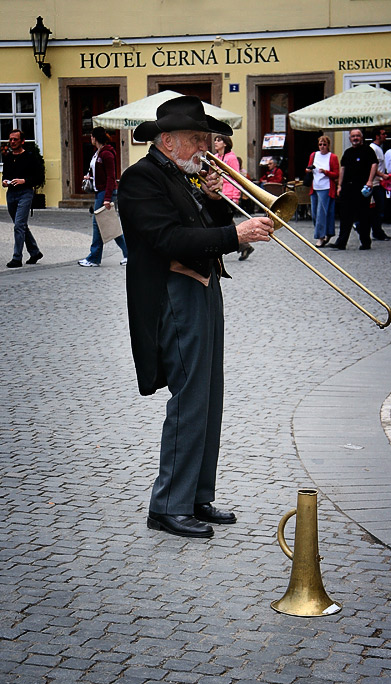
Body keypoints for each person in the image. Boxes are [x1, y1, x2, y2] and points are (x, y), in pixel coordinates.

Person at [117, 95, 273, 539]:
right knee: (188, 398)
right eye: (196, 139)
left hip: (204, 288)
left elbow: (207, 231)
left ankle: (197, 495)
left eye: (207, 139)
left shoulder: (184, 176)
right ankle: (167, 504)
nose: (206, 147)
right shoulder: (141, 179)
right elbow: (167, 238)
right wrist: (234, 232)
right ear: (167, 141)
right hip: (173, 294)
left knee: (209, 394)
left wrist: (218, 204)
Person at [78, 126, 128, 267]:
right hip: (100, 191)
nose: (90, 139)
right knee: (106, 225)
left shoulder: (107, 154)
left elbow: (111, 177)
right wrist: (91, 177)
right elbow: (102, 174)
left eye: (92, 136)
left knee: (99, 224)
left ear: (96, 137)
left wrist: (107, 198)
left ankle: (94, 258)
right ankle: (126, 253)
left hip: (104, 192)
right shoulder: (98, 153)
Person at [328, 129, 378, 251]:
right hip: (347, 188)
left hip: (362, 188)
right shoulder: (348, 152)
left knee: (363, 216)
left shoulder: (368, 151)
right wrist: (339, 186)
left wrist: (370, 181)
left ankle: (365, 242)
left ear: (361, 138)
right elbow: (342, 169)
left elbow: (374, 165)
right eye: (353, 136)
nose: (355, 138)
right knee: (345, 216)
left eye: (357, 136)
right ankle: (341, 242)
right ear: (350, 138)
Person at [2, 129, 43, 268]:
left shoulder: (30, 157)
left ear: (22, 141)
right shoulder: (7, 157)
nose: (12, 142)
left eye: (15, 139)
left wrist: (23, 180)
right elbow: (5, 175)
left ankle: (17, 258)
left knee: (18, 226)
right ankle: (35, 252)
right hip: (11, 194)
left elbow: (38, 177)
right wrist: (4, 182)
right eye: (11, 139)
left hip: (25, 193)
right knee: (21, 226)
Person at [214, 135, 254, 261]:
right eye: (215, 140)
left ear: (225, 143)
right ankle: (243, 246)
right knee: (224, 222)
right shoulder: (215, 157)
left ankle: (242, 246)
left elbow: (236, 178)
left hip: (229, 194)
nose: (215, 142)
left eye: (219, 140)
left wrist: (236, 196)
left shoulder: (231, 158)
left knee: (224, 222)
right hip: (218, 193)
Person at [305, 135, 339, 247]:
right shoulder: (314, 155)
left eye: (324, 144)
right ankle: (327, 233)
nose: (322, 147)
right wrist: (309, 170)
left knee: (321, 213)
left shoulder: (332, 157)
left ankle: (320, 237)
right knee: (314, 213)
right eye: (320, 144)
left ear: (328, 145)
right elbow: (308, 168)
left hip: (326, 188)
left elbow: (336, 174)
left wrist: (326, 172)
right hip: (315, 187)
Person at [367, 128, 391, 240]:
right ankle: (377, 231)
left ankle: (377, 230)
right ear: (377, 136)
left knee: (378, 209)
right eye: (383, 134)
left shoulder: (379, 149)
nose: (385, 136)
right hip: (375, 183)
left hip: (380, 183)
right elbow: (372, 166)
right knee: (376, 209)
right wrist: (383, 175)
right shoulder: (373, 149)